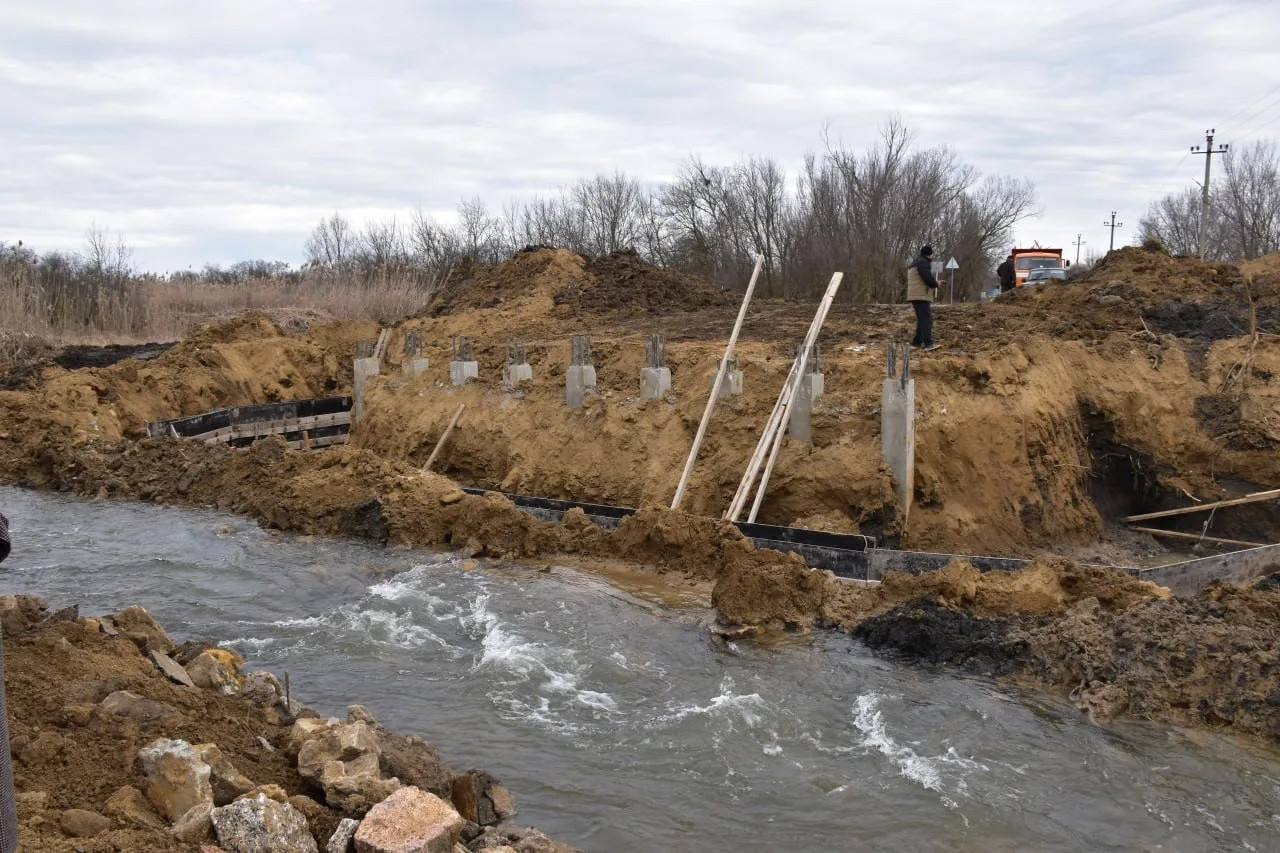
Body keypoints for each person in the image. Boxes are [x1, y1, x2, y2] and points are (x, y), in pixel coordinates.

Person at [905, 245, 940, 350]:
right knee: (926, 319)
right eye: (932, 254)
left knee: (922, 319)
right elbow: (928, 279)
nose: (933, 256)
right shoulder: (923, 263)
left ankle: (917, 342)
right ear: (929, 254)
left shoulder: (916, 262)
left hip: (915, 295)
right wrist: (936, 284)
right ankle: (928, 344)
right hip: (920, 295)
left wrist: (934, 283)